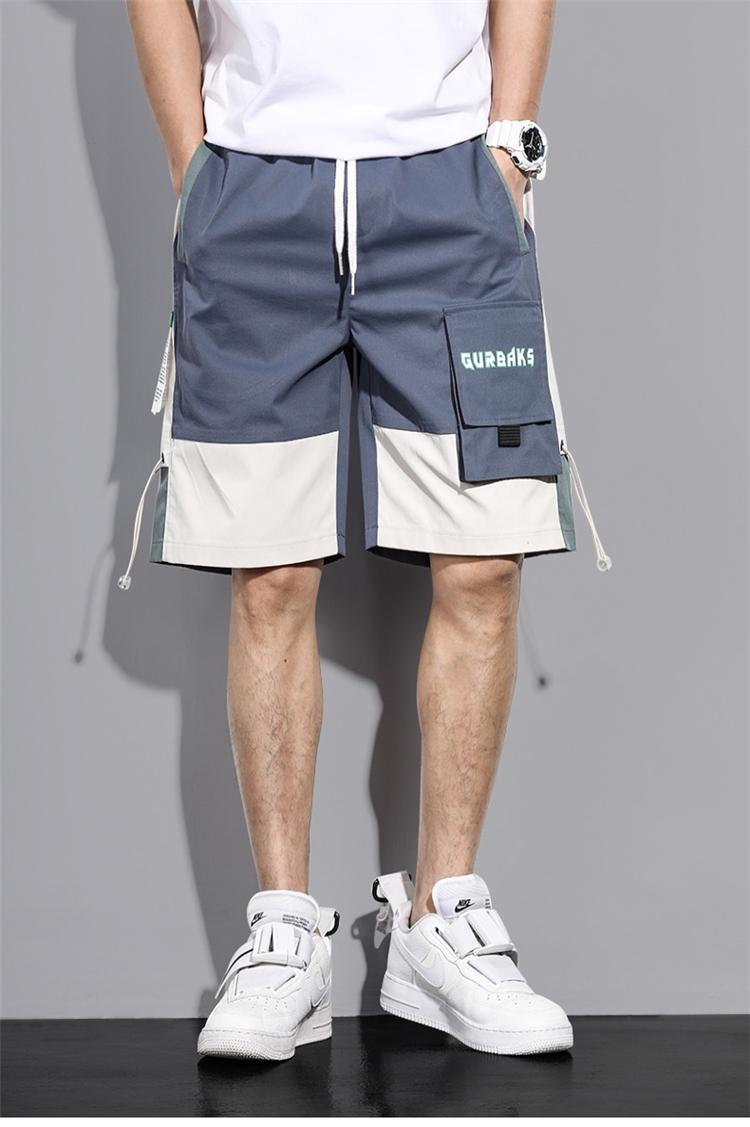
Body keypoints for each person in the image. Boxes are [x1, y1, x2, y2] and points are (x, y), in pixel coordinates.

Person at [124, 0, 609, 1061]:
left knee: (485, 559)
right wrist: (193, 167)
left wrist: (508, 145)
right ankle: (285, 938)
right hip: (254, 185)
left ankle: (441, 922)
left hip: (449, 185)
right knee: (268, 572)